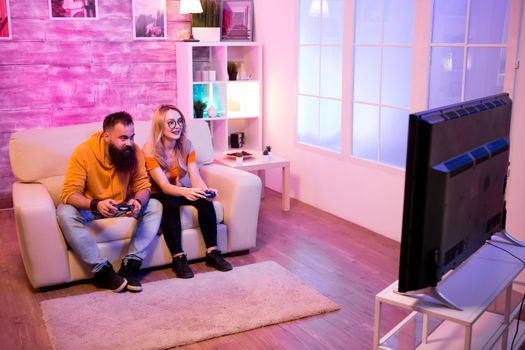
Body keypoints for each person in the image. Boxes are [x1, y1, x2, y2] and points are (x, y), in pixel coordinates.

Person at [57, 111, 162, 292]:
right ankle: (101, 271)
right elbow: (69, 193)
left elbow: (143, 184)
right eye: (123, 138)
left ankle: (130, 266)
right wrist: (95, 204)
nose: (129, 143)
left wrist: (137, 201)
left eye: (131, 137)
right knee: (64, 212)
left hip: (123, 206)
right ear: (106, 136)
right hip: (94, 208)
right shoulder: (83, 152)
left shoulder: (134, 150)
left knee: (154, 205)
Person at [142, 104, 232, 278]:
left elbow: (195, 178)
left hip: (178, 189)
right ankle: (179, 259)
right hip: (157, 193)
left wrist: (205, 191)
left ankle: (213, 253)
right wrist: (185, 192)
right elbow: (163, 186)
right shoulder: (149, 149)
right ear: (160, 125)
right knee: (171, 200)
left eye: (180, 121)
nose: (177, 126)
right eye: (171, 123)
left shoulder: (186, 145)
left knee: (203, 199)